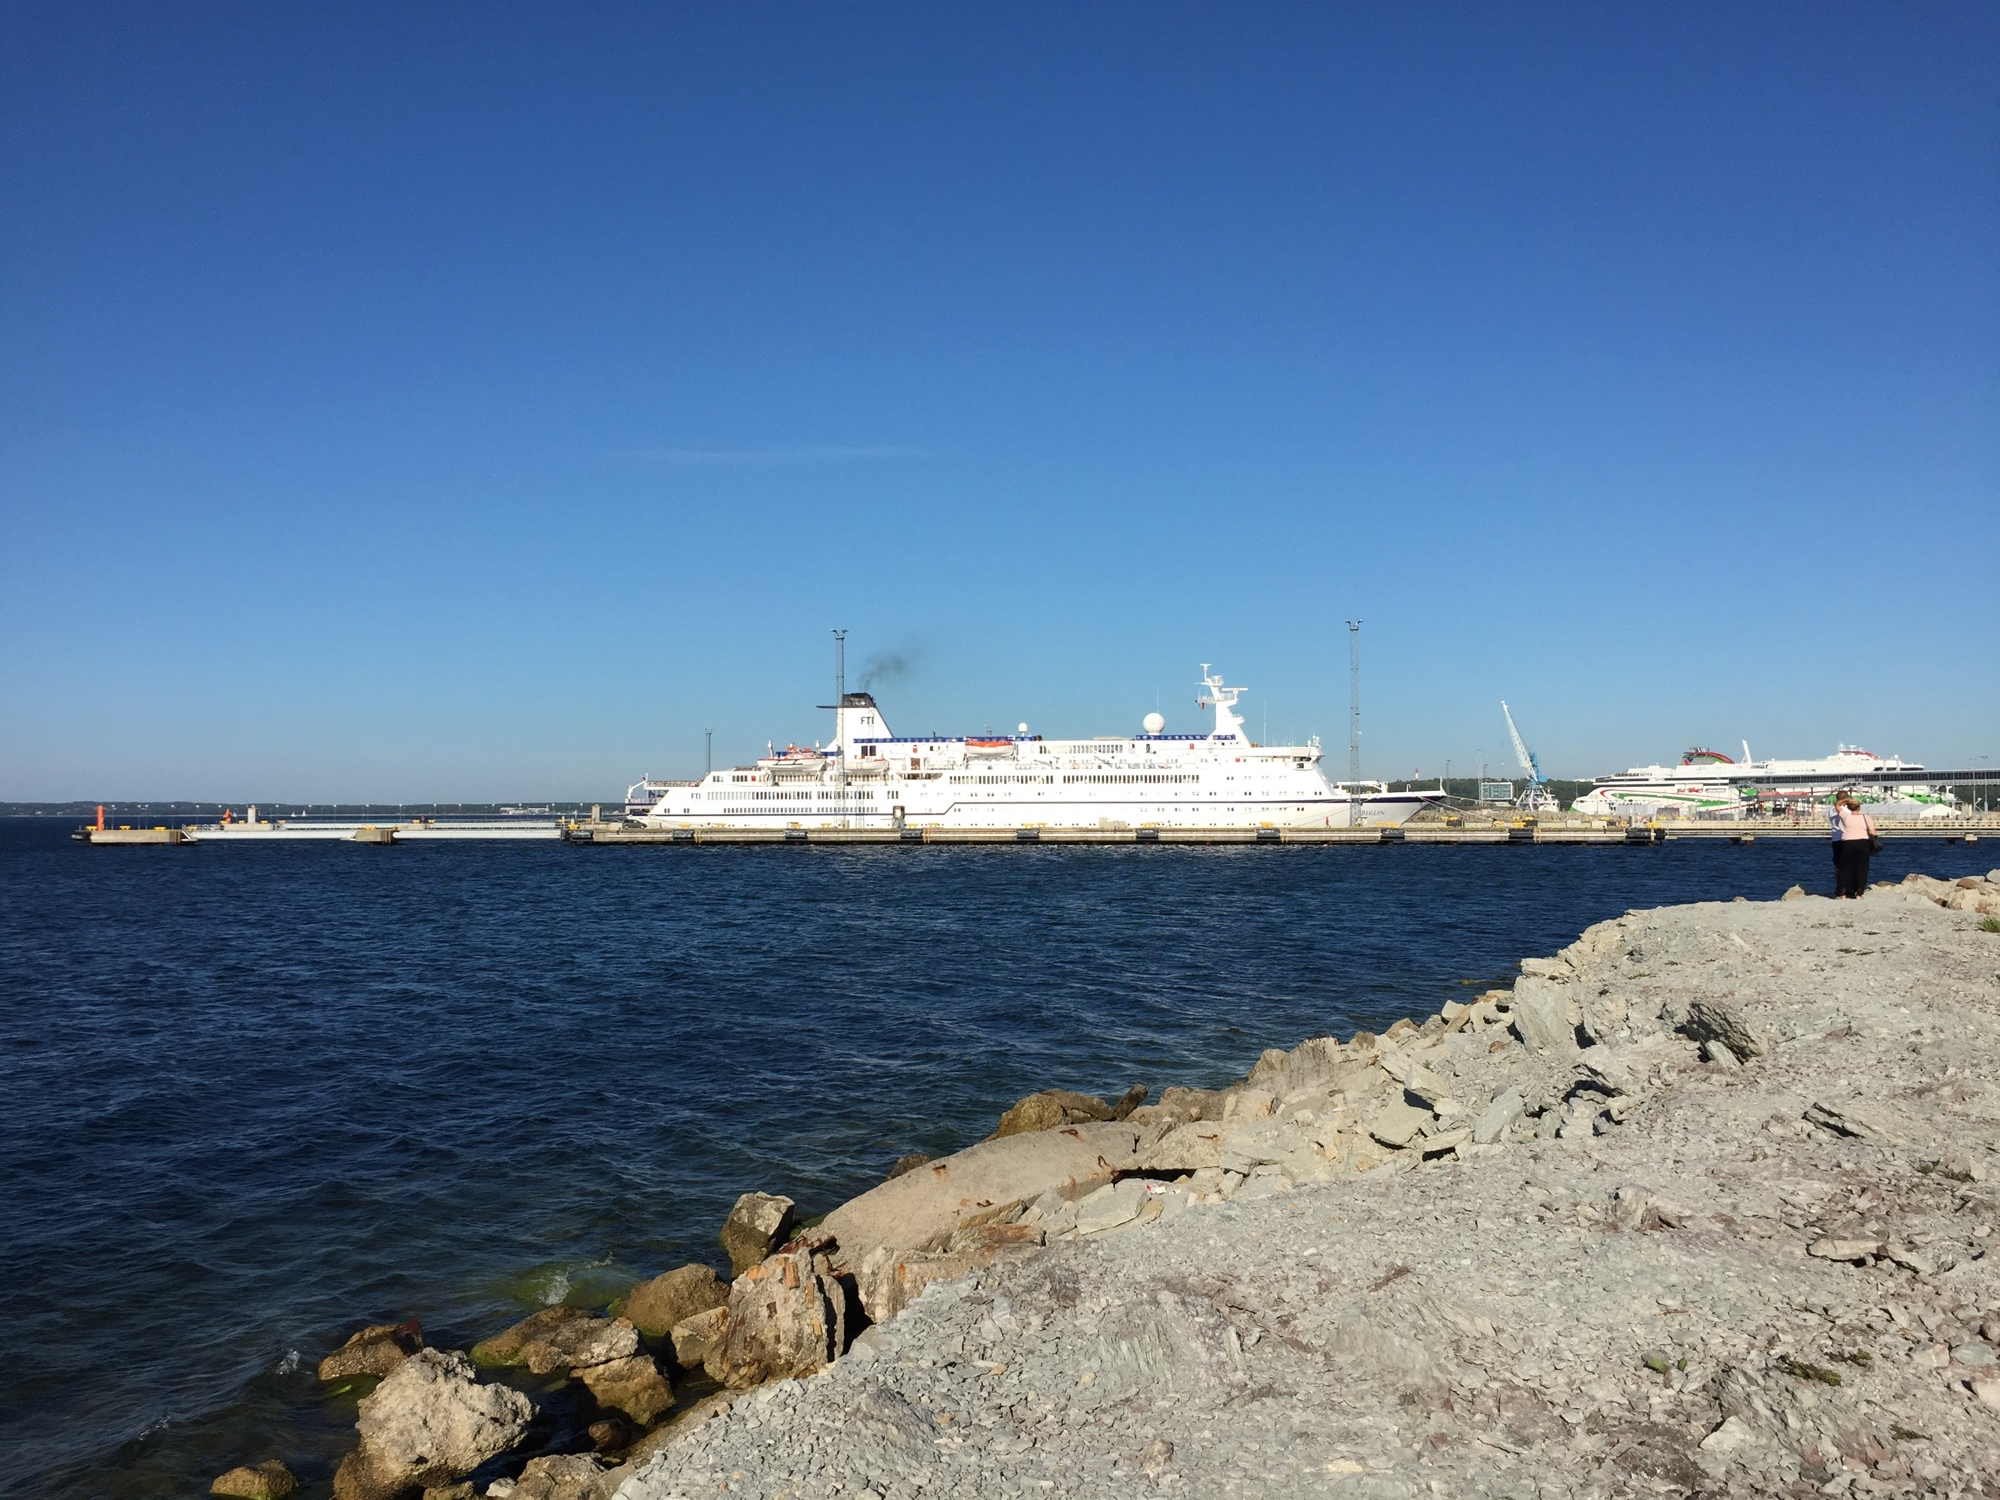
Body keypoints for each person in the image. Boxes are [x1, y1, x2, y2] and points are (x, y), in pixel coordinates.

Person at [1832, 793, 1878, 898]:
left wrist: (1847, 800)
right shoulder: (1866, 817)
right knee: (1862, 868)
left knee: (1846, 868)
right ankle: (1859, 892)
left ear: (1848, 807)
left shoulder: (1846, 816)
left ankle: (1843, 893)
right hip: (1863, 843)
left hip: (1848, 843)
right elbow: (1873, 832)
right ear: (1859, 807)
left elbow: (1837, 805)